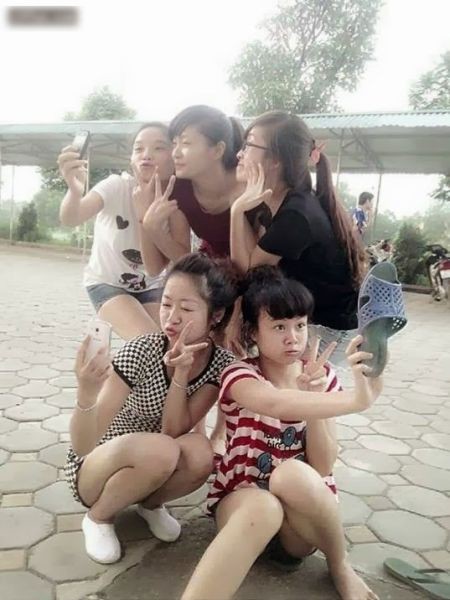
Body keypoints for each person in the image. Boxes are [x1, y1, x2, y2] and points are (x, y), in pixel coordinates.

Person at [181, 266, 382, 600]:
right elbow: (275, 403)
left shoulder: (322, 377)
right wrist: (357, 400)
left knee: (292, 475)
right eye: (278, 327)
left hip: (298, 528)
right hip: (243, 503)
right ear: (253, 332)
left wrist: (317, 400)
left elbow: (322, 467)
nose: (293, 337)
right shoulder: (239, 374)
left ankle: (339, 565)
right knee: (264, 506)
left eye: (300, 325)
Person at [65, 253, 238, 564]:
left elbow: (173, 431)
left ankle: (150, 505)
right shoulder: (142, 350)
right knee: (163, 449)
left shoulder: (219, 364)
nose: (171, 317)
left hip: (159, 459)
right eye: (166, 304)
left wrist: (181, 373)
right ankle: (98, 517)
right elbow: (83, 445)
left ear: (215, 315)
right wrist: (86, 392)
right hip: (98, 467)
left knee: (200, 452)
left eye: (186, 309)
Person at [137, 105, 245, 453]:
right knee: (197, 342)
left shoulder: (244, 184)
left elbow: (250, 264)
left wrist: (237, 314)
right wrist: (151, 228)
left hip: (252, 272)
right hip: (209, 268)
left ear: (217, 149)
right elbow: (178, 259)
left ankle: (222, 432)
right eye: (174, 143)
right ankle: (193, 425)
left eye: (185, 143)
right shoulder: (179, 188)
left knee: (232, 350)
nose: (175, 152)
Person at [229, 110, 367, 367]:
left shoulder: (297, 214)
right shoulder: (277, 203)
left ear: (276, 160)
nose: (239, 153)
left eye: (249, 145)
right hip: (301, 319)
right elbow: (249, 264)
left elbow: (248, 272)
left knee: (268, 380)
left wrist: (236, 211)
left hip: (327, 331)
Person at [58, 122, 176, 340]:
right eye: (138, 149)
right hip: (106, 283)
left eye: (159, 147)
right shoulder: (116, 185)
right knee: (149, 342)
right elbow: (71, 218)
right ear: (131, 158)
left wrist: (146, 214)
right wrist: (74, 190)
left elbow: (156, 268)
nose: (146, 155)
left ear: (174, 155)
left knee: (169, 344)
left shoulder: (175, 200)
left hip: (152, 285)